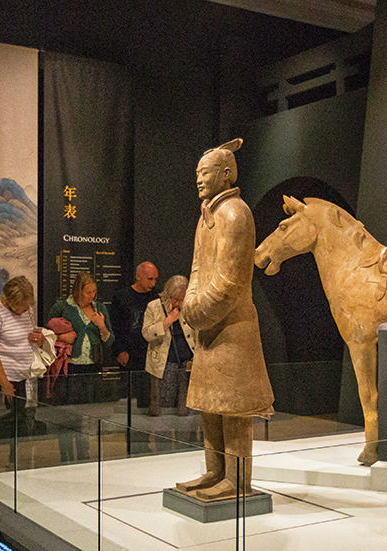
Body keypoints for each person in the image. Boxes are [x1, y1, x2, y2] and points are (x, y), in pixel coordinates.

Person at [176, 138, 274, 501]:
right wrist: (190, 303)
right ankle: (215, 471)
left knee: (233, 409)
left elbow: (232, 282)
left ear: (227, 173)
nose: (199, 180)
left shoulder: (235, 213)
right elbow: (198, 269)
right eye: (197, 173)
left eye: (206, 173)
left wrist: (197, 312)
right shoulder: (207, 217)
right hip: (209, 325)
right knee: (210, 404)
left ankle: (237, 480)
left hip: (232, 327)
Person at [48, 272, 114, 461]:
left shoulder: (100, 308)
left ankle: (84, 451)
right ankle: (66, 452)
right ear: (78, 291)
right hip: (69, 368)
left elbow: (110, 340)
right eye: (87, 292)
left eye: (94, 292)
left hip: (92, 367)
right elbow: (46, 333)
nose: (92, 296)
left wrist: (101, 326)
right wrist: (61, 337)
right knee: (68, 411)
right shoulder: (63, 306)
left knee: (88, 413)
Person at [0, 276, 44, 437]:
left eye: (28, 304)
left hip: (22, 377)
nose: (26, 308)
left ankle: (17, 459)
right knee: (5, 428)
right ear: (11, 300)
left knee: (22, 424)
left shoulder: (28, 311)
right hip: (2, 380)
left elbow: (30, 335)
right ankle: (1, 461)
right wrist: (4, 383)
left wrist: (39, 340)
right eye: (22, 305)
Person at [142, 275, 196, 416]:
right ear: (167, 294)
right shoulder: (154, 306)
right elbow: (146, 334)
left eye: (181, 300)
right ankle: (163, 437)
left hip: (187, 362)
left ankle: (183, 436)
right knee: (165, 406)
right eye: (175, 299)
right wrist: (167, 321)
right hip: (164, 363)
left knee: (185, 410)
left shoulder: (189, 307)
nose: (178, 303)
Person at [110, 261, 159, 408]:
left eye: (155, 279)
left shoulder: (156, 297)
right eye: (150, 279)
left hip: (150, 351)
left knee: (147, 397)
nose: (153, 283)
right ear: (138, 276)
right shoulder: (122, 296)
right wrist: (119, 350)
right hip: (129, 353)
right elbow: (115, 326)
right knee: (128, 399)